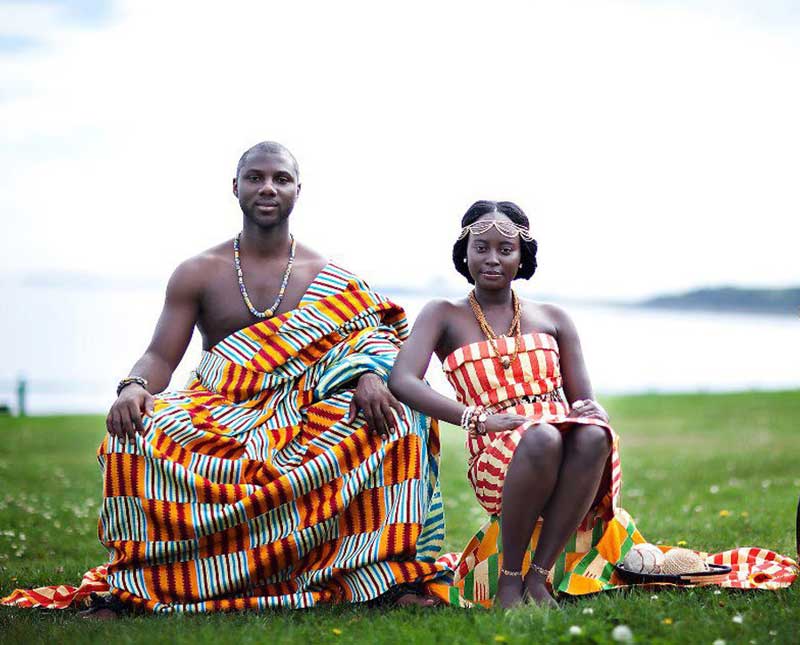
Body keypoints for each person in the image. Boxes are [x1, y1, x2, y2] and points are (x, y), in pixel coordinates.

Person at [3, 142, 446, 615]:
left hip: (301, 408)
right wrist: (132, 386)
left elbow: (372, 344)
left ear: (299, 190)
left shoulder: (330, 276)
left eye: (281, 178)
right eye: (255, 177)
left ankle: (380, 578)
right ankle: (138, 585)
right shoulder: (198, 272)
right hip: (220, 405)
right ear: (235, 187)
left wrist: (369, 377)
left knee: (399, 420)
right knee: (129, 439)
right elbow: (159, 356)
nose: (268, 188)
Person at [388, 200, 797, 609]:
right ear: (465, 251)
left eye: (505, 249)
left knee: (594, 435)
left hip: (562, 443)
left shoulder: (554, 318)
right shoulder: (443, 314)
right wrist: (477, 418)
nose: (492, 259)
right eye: (481, 247)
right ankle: (509, 581)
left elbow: (584, 401)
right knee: (543, 437)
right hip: (500, 450)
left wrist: (593, 414)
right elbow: (403, 379)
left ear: (522, 256)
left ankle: (538, 577)